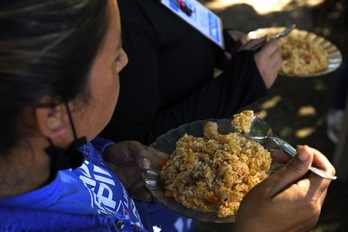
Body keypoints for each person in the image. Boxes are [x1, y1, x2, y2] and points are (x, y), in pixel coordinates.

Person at [0, 0, 336, 231]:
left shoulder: (48, 149)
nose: (125, 62)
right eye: (115, 58)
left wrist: (102, 161)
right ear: (55, 116)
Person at [99, 0, 282, 230]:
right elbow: (137, 141)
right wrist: (238, 84)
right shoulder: (124, 20)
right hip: (149, 194)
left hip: (189, 183)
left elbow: (169, 25)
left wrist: (217, 44)